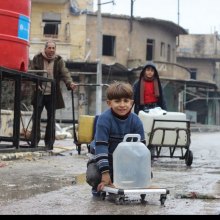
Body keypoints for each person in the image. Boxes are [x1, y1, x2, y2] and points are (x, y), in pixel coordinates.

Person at [86, 81, 146, 196]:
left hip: (124, 162)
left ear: (132, 103)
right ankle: (98, 186)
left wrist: (139, 173)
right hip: (104, 159)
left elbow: (141, 150)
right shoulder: (104, 119)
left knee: (146, 174)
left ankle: (116, 181)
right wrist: (105, 173)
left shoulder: (136, 121)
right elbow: (101, 147)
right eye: (117, 101)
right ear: (109, 103)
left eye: (126, 101)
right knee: (94, 176)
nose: (122, 105)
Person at [30, 40, 77, 150]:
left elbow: (65, 73)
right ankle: (34, 142)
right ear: (45, 48)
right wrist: (35, 85)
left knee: (51, 119)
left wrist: (70, 83)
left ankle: (49, 143)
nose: (51, 50)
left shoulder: (59, 60)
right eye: (49, 48)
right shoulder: (37, 58)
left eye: (53, 48)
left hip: (52, 94)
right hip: (39, 92)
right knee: (36, 118)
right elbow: (32, 72)